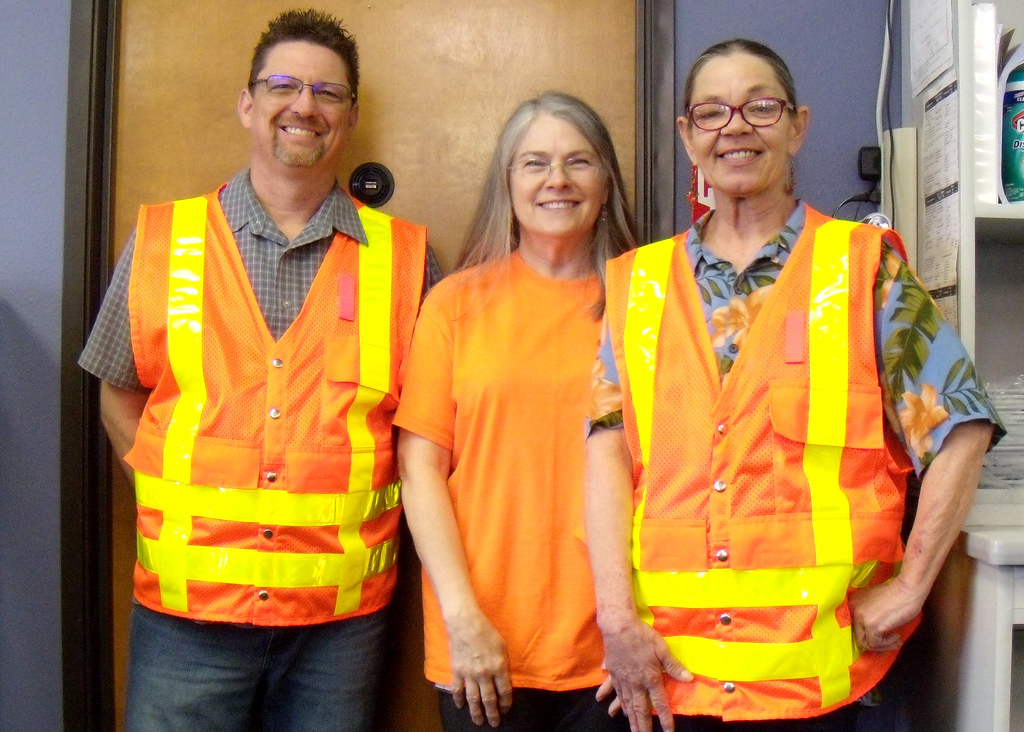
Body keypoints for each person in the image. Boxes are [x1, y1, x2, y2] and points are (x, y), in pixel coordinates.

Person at [585, 39, 1004, 732]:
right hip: (670, 674)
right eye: (713, 112)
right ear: (688, 138)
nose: (737, 127)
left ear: (798, 125)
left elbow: (963, 424)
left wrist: (911, 588)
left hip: (815, 683)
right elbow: (603, 453)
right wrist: (614, 617)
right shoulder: (639, 285)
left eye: (760, 106)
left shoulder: (861, 269)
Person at [79, 9, 433, 730]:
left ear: (350, 115)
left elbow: (429, 432)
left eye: (327, 92)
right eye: (283, 85)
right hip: (186, 619)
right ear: (249, 104)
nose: (304, 105)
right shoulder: (163, 241)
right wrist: (174, 499)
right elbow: (117, 395)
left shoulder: (406, 261)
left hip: (339, 626)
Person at [394, 91, 636, 731]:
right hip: (482, 646)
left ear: (606, 181)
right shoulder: (454, 304)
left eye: (578, 161)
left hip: (616, 651)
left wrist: (633, 624)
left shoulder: (650, 302)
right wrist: (462, 616)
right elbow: (420, 471)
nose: (557, 179)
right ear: (508, 183)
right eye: (535, 163)